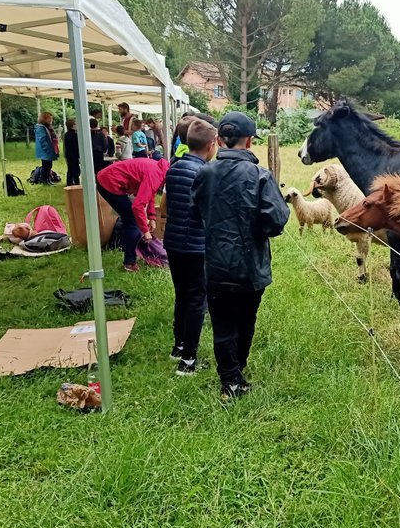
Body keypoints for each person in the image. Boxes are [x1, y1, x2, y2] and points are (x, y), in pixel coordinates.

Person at [192, 111, 289, 399]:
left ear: (219, 139)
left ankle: (230, 380)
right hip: (251, 267)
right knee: (246, 321)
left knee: (222, 324)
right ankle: (236, 373)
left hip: (216, 266)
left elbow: (196, 213)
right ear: (249, 141)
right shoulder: (260, 175)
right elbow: (277, 221)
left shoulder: (205, 173)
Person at [164, 118, 218, 375]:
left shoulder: (173, 168)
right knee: (197, 299)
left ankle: (178, 346)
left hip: (173, 244)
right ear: (210, 146)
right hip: (196, 246)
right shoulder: (206, 173)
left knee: (182, 294)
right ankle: (188, 361)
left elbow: (166, 207)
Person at [96, 154, 170, 272]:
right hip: (108, 182)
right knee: (132, 221)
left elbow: (150, 194)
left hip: (107, 178)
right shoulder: (155, 175)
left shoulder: (160, 170)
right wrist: (145, 231)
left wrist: (152, 217)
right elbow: (138, 206)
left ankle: (129, 253)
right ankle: (129, 264)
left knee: (130, 220)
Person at [34, 112, 59, 184]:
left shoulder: (47, 127)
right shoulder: (40, 127)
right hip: (45, 150)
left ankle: (48, 179)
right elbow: (42, 139)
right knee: (46, 165)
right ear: (44, 119)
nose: (51, 120)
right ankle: (44, 180)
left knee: (49, 165)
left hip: (49, 149)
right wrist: (47, 149)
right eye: (50, 118)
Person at [64, 118, 80, 186]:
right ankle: (76, 182)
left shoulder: (67, 134)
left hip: (69, 154)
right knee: (75, 170)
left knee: (70, 169)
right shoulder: (74, 135)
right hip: (73, 155)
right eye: (75, 124)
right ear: (72, 125)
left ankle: (69, 182)